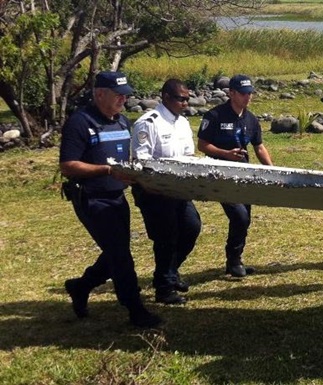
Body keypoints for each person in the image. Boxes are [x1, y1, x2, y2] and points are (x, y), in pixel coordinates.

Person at [60, 71, 162, 328]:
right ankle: (135, 309)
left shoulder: (123, 123)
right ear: (99, 94)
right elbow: (68, 165)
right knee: (120, 255)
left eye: (125, 95)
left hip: (117, 196)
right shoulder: (80, 123)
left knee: (115, 252)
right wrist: (106, 171)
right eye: (118, 95)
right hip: (92, 198)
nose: (122, 99)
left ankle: (81, 286)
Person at [131, 79, 202, 305]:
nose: (185, 103)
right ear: (166, 97)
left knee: (191, 228)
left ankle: (170, 272)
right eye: (181, 98)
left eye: (187, 99)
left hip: (179, 189)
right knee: (166, 237)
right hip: (155, 191)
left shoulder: (182, 123)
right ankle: (163, 288)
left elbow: (188, 156)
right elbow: (142, 162)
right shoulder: (149, 123)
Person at [197, 74, 273, 277]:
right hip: (221, 175)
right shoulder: (214, 116)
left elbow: (259, 146)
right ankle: (234, 260)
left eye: (250, 93)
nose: (248, 97)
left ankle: (234, 260)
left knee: (245, 217)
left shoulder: (250, 118)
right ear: (231, 93)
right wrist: (226, 154)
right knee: (238, 215)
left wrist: (273, 170)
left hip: (244, 175)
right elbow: (202, 145)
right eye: (243, 93)